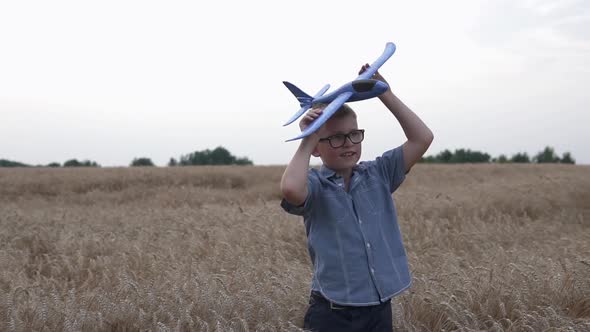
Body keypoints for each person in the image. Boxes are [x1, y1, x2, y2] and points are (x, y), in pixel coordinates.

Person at [280, 63, 434, 332]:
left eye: (354, 134)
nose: (349, 143)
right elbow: (291, 190)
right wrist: (308, 137)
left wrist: (383, 93)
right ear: (317, 149)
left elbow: (422, 138)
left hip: (378, 309)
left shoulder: (380, 174)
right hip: (332, 313)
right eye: (336, 138)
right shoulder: (315, 186)